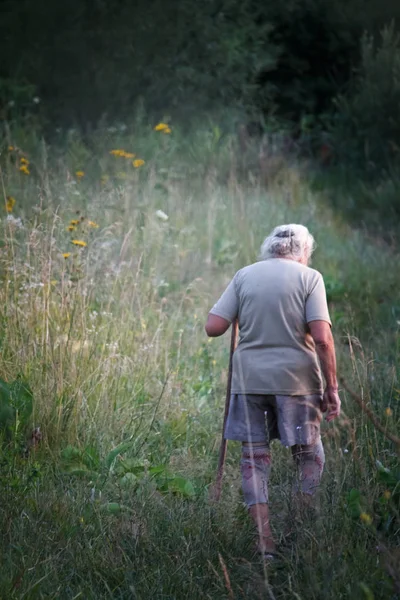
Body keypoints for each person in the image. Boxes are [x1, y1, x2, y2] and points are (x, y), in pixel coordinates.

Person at [205, 224, 341, 558]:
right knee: (309, 457)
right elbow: (322, 338)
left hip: (249, 380)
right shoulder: (310, 278)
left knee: (254, 459)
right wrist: (332, 388)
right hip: (297, 383)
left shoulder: (244, 275)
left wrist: (239, 312)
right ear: (304, 252)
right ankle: (297, 530)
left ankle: (265, 543)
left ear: (271, 249)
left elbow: (213, 327)